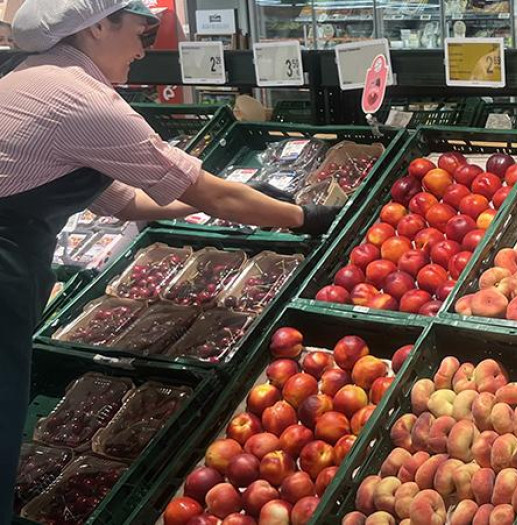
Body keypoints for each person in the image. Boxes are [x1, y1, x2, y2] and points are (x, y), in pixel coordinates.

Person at [0, 0, 339, 518]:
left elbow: (129, 201)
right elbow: (210, 194)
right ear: (96, 26)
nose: (144, 49)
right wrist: (302, 216)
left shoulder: (38, 75)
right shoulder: (82, 98)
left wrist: (253, 196)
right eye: (140, 32)